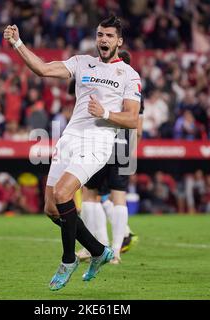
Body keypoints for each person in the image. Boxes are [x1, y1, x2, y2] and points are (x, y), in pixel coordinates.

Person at [4, 15, 141, 291]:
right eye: (100, 35)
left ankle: (68, 260)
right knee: (51, 209)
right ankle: (98, 250)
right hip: (69, 139)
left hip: (98, 143)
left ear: (119, 41)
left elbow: (132, 118)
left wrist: (104, 112)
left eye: (110, 36)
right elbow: (42, 69)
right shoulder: (81, 62)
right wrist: (17, 43)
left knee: (64, 194)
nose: (104, 40)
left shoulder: (129, 75)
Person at [79, 50, 142, 264]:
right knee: (119, 197)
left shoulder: (108, 82)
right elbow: (137, 127)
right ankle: (115, 251)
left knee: (90, 193)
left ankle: (96, 247)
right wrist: (132, 154)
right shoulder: (133, 85)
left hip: (102, 141)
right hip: (123, 144)